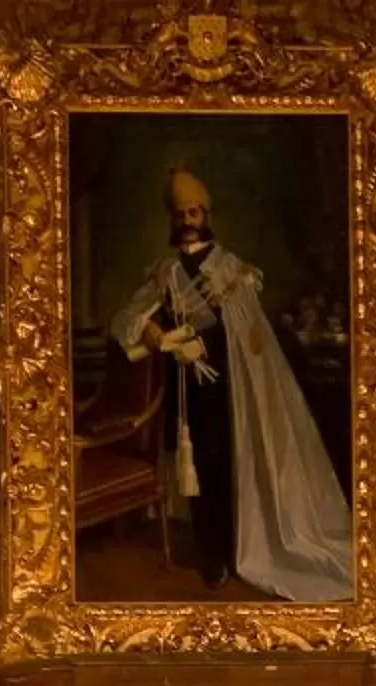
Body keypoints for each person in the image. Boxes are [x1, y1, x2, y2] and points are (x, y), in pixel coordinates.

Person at [109, 166, 352, 603]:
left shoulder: (229, 267)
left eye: (194, 212)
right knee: (196, 473)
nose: (188, 220)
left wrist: (201, 345)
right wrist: (150, 333)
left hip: (227, 389)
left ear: (206, 214)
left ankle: (236, 549)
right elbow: (129, 317)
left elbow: (243, 331)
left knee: (224, 469)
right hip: (185, 390)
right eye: (181, 214)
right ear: (173, 218)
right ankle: (210, 557)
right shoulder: (164, 271)